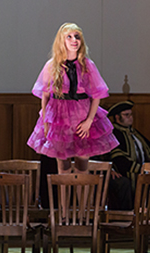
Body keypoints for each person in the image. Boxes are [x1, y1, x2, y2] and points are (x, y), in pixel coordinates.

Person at [27, 22, 119, 178]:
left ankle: (82, 202)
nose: (74, 40)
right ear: (62, 41)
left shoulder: (87, 65)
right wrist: (45, 122)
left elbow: (97, 95)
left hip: (81, 115)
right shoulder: (52, 65)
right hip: (59, 117)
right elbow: (46, 96)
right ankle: (64, 203)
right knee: (63, 165)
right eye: (69, 37)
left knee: (82, 164)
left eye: (77, 37)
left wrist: (89, 120)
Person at [105, 100, 150, 210]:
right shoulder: (115, 134)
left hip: (141, 174)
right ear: (117, 117)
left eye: (131, 114)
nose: (130, 117)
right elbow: (120, 161)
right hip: (127, 175)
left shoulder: (134, 133)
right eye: (126, 115)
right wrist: (142, 169)